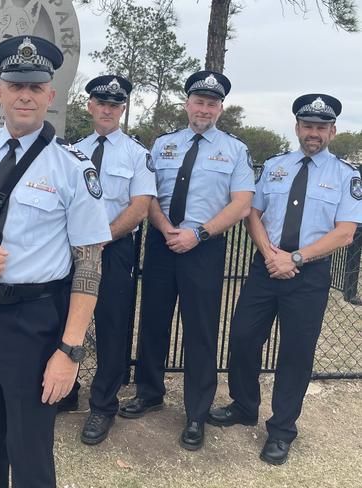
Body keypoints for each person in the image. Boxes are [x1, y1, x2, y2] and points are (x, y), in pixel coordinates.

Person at [0, 36, 111, 487]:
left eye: (35, 86)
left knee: (29, 449)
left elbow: (89, 262)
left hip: (33, 322)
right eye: (15, 85)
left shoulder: (73, 167)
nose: (25, 95)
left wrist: (69, 351)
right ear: (0, 92)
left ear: (51, 95)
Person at [208, 94, 362, 465]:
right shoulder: (276, 166)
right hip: (266, 269)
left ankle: (281, 429)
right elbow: (252, 213)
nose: (314, 133)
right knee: (243, 336)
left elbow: (344, 233)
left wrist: (294, 258)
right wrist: (270, 255)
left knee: (295, 353)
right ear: (296, 128)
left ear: (332, 132)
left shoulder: (346, 175)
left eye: (321, 128)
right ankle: (244, 406)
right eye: (307, 126)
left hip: (308, 275)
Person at [119, 70, 255, 451]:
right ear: (187, 105)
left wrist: (200, 232)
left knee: (199, 330)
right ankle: (149, 392)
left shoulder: (234, 150)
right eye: (199, 101)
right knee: (153, 321)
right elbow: (148, 196)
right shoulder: (163, 144)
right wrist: (165, 229)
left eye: (212, 104)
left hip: (205, 246)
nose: (204, 109)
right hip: (162, 241)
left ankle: (196, 411)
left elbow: (242, 203)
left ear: (220, 109)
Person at [57, 75, 156, 445]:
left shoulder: (135, 154)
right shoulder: (71, 151)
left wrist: (102, 237)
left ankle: (102, 405)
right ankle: (66, 392)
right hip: (73, 251)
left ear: (122, 109)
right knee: (67, 320)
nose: (107, 110)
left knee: (112, 327)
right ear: (90, 107)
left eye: (115, 104)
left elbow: (140, 206)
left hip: (114, 251)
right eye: (101, 103)